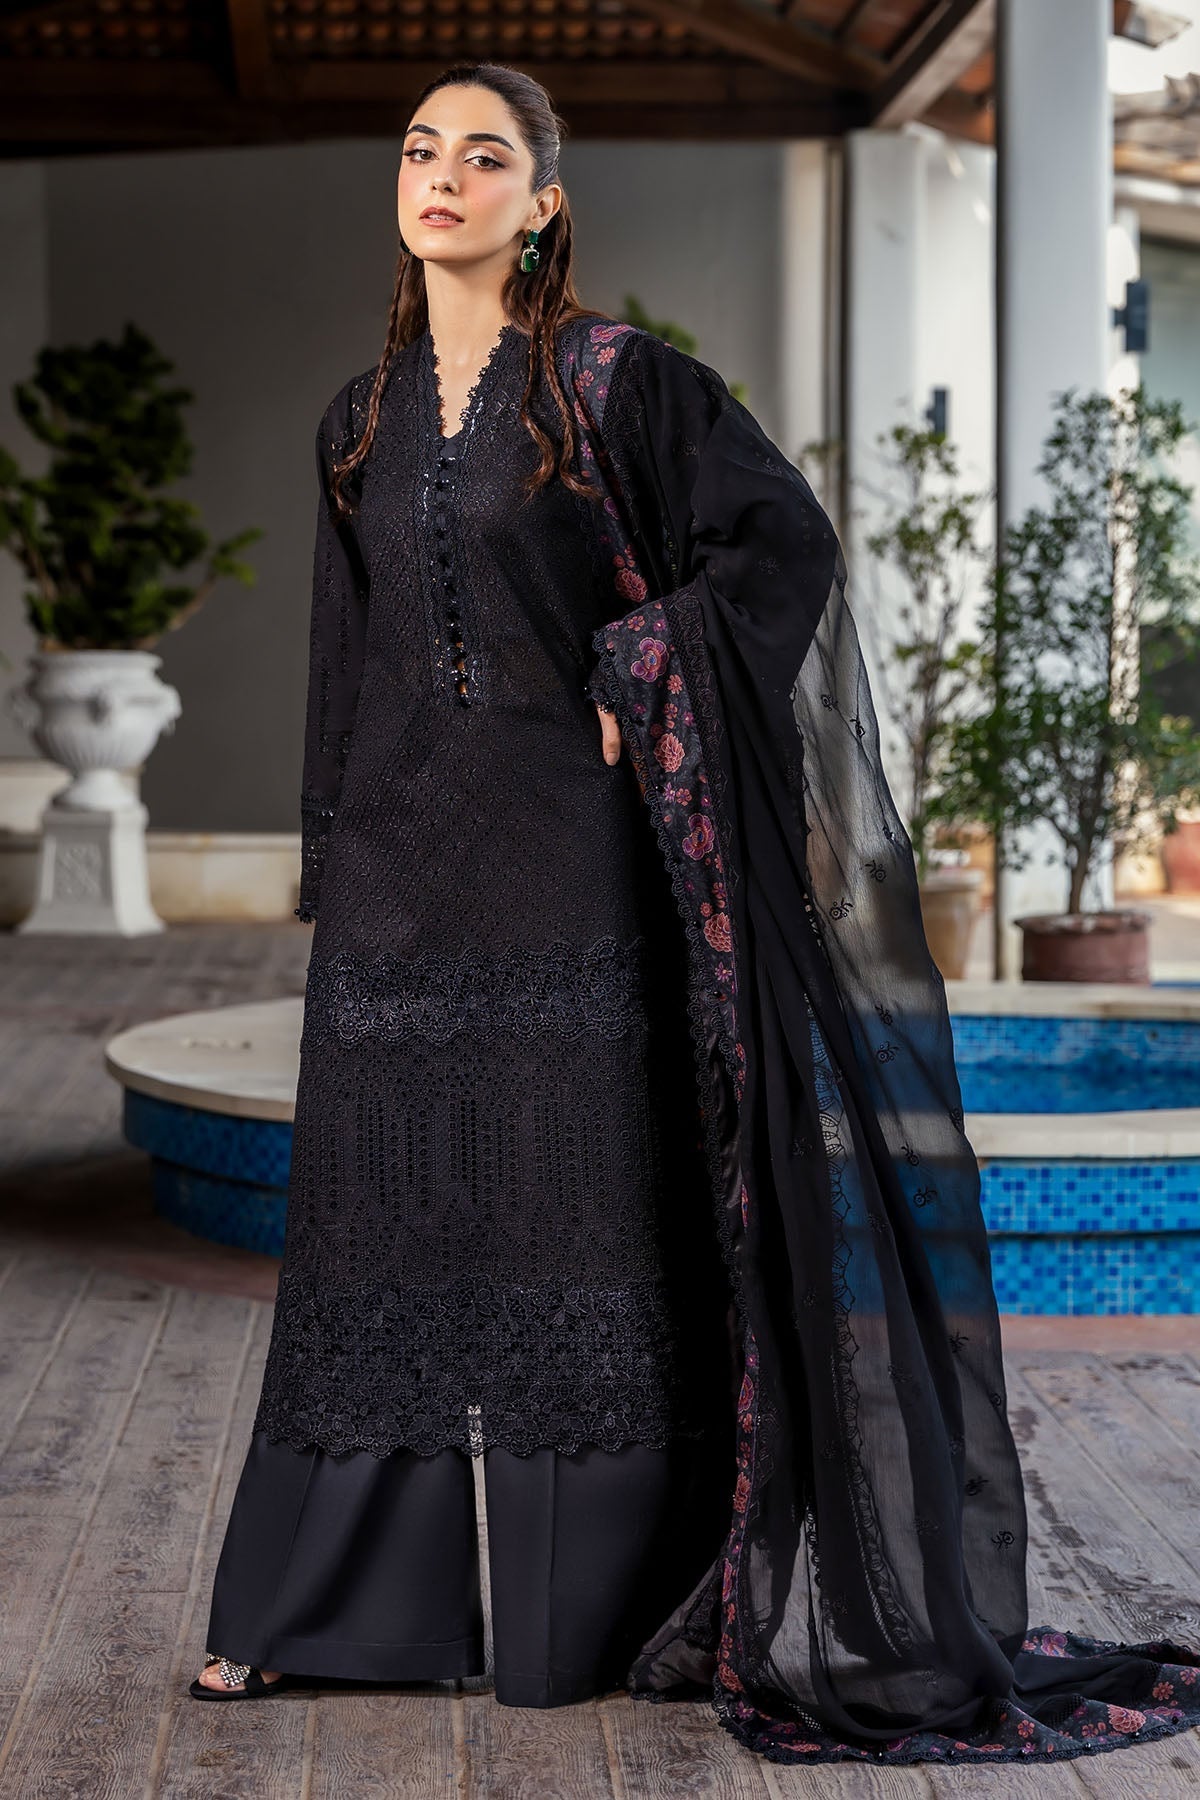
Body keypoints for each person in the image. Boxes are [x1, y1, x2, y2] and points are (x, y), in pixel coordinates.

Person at [192, 58, 1200, 1769]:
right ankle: (319, 1615)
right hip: (398, 887)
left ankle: (589, 1625)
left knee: (581, 1238)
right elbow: (346, 667)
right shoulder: (354, 421)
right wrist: (330, 859)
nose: (442, 176)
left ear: (543, 202)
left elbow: (782, 549)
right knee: (377, 1242)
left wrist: (640, 660)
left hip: (575, 873)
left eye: (483, 155)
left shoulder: (614, 385)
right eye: (422, 149)